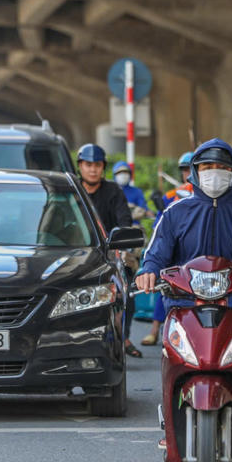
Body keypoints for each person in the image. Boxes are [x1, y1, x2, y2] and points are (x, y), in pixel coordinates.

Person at [135, 138, 232, 307]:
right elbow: (157, 252)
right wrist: (148, 271)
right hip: (184, 306)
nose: (215, 173)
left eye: (223, 168)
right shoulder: (174, 213)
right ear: (196, 171)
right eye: (208, 168)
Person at [75, 144, 140, 358]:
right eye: (88, 165)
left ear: (103, 167)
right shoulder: (72, 190)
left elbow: (124, 222)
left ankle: (124, 334)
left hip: (110, 252)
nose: (92, 169)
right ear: (80, 166)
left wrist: (120, 247)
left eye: (97, 165)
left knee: (128, 288)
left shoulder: (114, 191)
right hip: (76, 254)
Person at [142, 150, 194, 347]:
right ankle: (156, 330)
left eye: (191, 168)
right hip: (175, 250)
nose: (187, 173)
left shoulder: (207, 193)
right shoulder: (173, 194)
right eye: (184, 169)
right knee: (165, 287)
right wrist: (159, 207)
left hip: (197, 250)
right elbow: (159, 225)